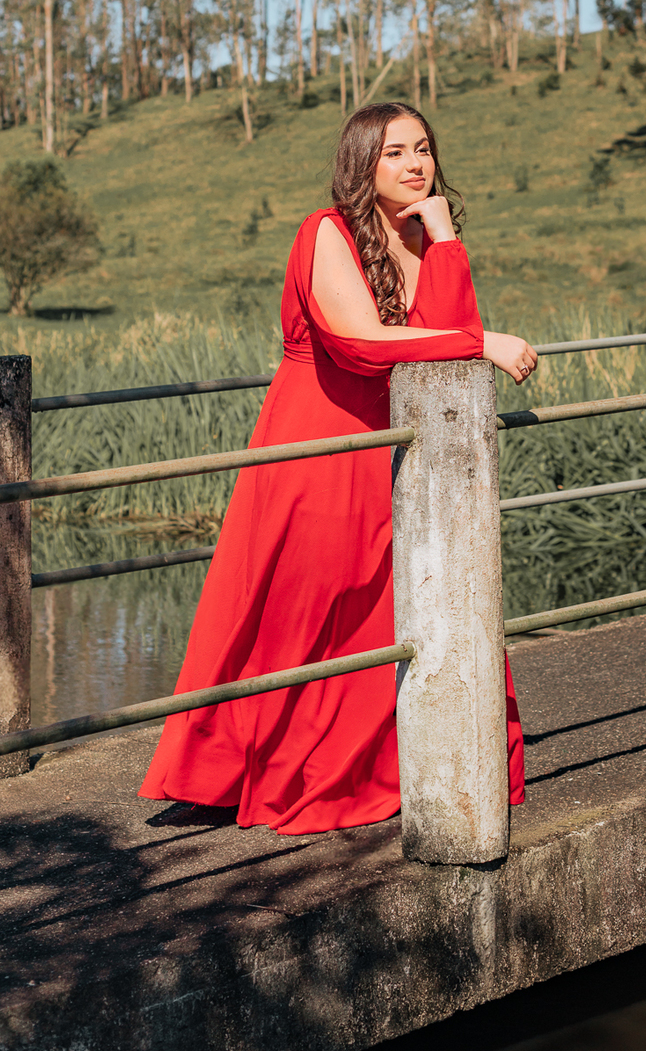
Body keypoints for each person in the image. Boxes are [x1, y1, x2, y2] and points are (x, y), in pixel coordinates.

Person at [138, 101, 538, 835]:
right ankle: (259, 772)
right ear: (362, 162)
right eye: (394, 153)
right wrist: (481, 343)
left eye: (423, 149)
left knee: (390, 606)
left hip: (396, 449)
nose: (415, 164)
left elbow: (449, 328)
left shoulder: (422, 237)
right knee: (307, 608)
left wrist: (445, 239)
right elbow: (360, 343)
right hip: (319, 443)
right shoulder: (325, 232)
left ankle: (396, 762)